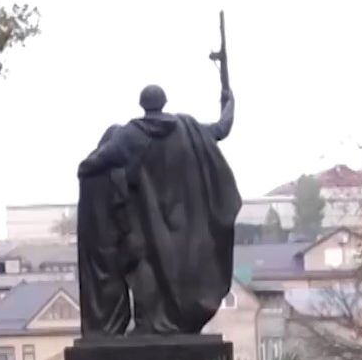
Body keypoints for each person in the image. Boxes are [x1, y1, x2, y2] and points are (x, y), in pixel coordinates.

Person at [75, 79, 239, 336]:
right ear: (164, 103)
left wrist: (87, 169)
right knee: (175, 271)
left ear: (142, 104)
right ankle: (164, 323)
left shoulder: (131, 134)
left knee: (146, 270)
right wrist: (229, 104)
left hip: (146, 221)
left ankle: (149, 323)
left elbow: (97, 162)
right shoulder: (187, 129)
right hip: (181, 220)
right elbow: (221, 129)